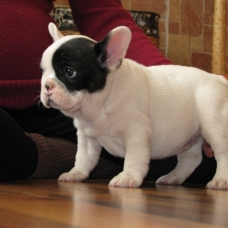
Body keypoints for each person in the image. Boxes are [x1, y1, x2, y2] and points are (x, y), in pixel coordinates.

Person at [0, 0, 216, 184]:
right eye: (44, 72)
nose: (47, 81)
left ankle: (94, 157)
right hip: (57, 108)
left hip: (68, 106)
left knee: (208, 162)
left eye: (67, 71)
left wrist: (168, 82)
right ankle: (91, 159)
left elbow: (104, 13)